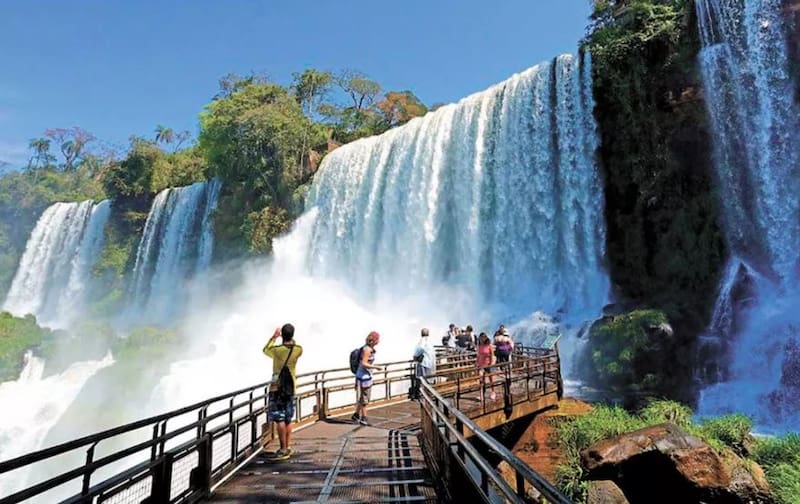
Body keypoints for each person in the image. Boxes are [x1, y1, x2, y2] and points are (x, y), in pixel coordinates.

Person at [263, 323, 303, 459]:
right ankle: (288, 446)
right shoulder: (298, 349)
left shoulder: (277, 350)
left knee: (279, 418)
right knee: (288, 418)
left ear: (282, 335)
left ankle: (283, 449)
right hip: (291, 387)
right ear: (292, 335)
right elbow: (295, 345)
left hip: (277, 388)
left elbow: (265, 350)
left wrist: (274, 337)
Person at [352, 331, 384, 426]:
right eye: (377, 339)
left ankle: (356, 415)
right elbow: (364, 363)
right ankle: (364, 418)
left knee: (362, 396)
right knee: (365, 398)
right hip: (364, 377)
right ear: (373, 340)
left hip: (362, 376)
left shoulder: (367, 348)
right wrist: (375, 367)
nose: (379, 341)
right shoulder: (367, 350)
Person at [476, 332, 496, 402]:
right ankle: (481, 395)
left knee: (490, 379)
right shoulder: (479, 346)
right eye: (481, 338)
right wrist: (476, 362)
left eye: (483, 337)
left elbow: (492, 355)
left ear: (486, 338)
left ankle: (493, 392)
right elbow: (478, 355)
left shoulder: (489, 345)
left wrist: (491, 363)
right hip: (481, 365)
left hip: (488, 364)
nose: (482, 339)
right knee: (481, 380)